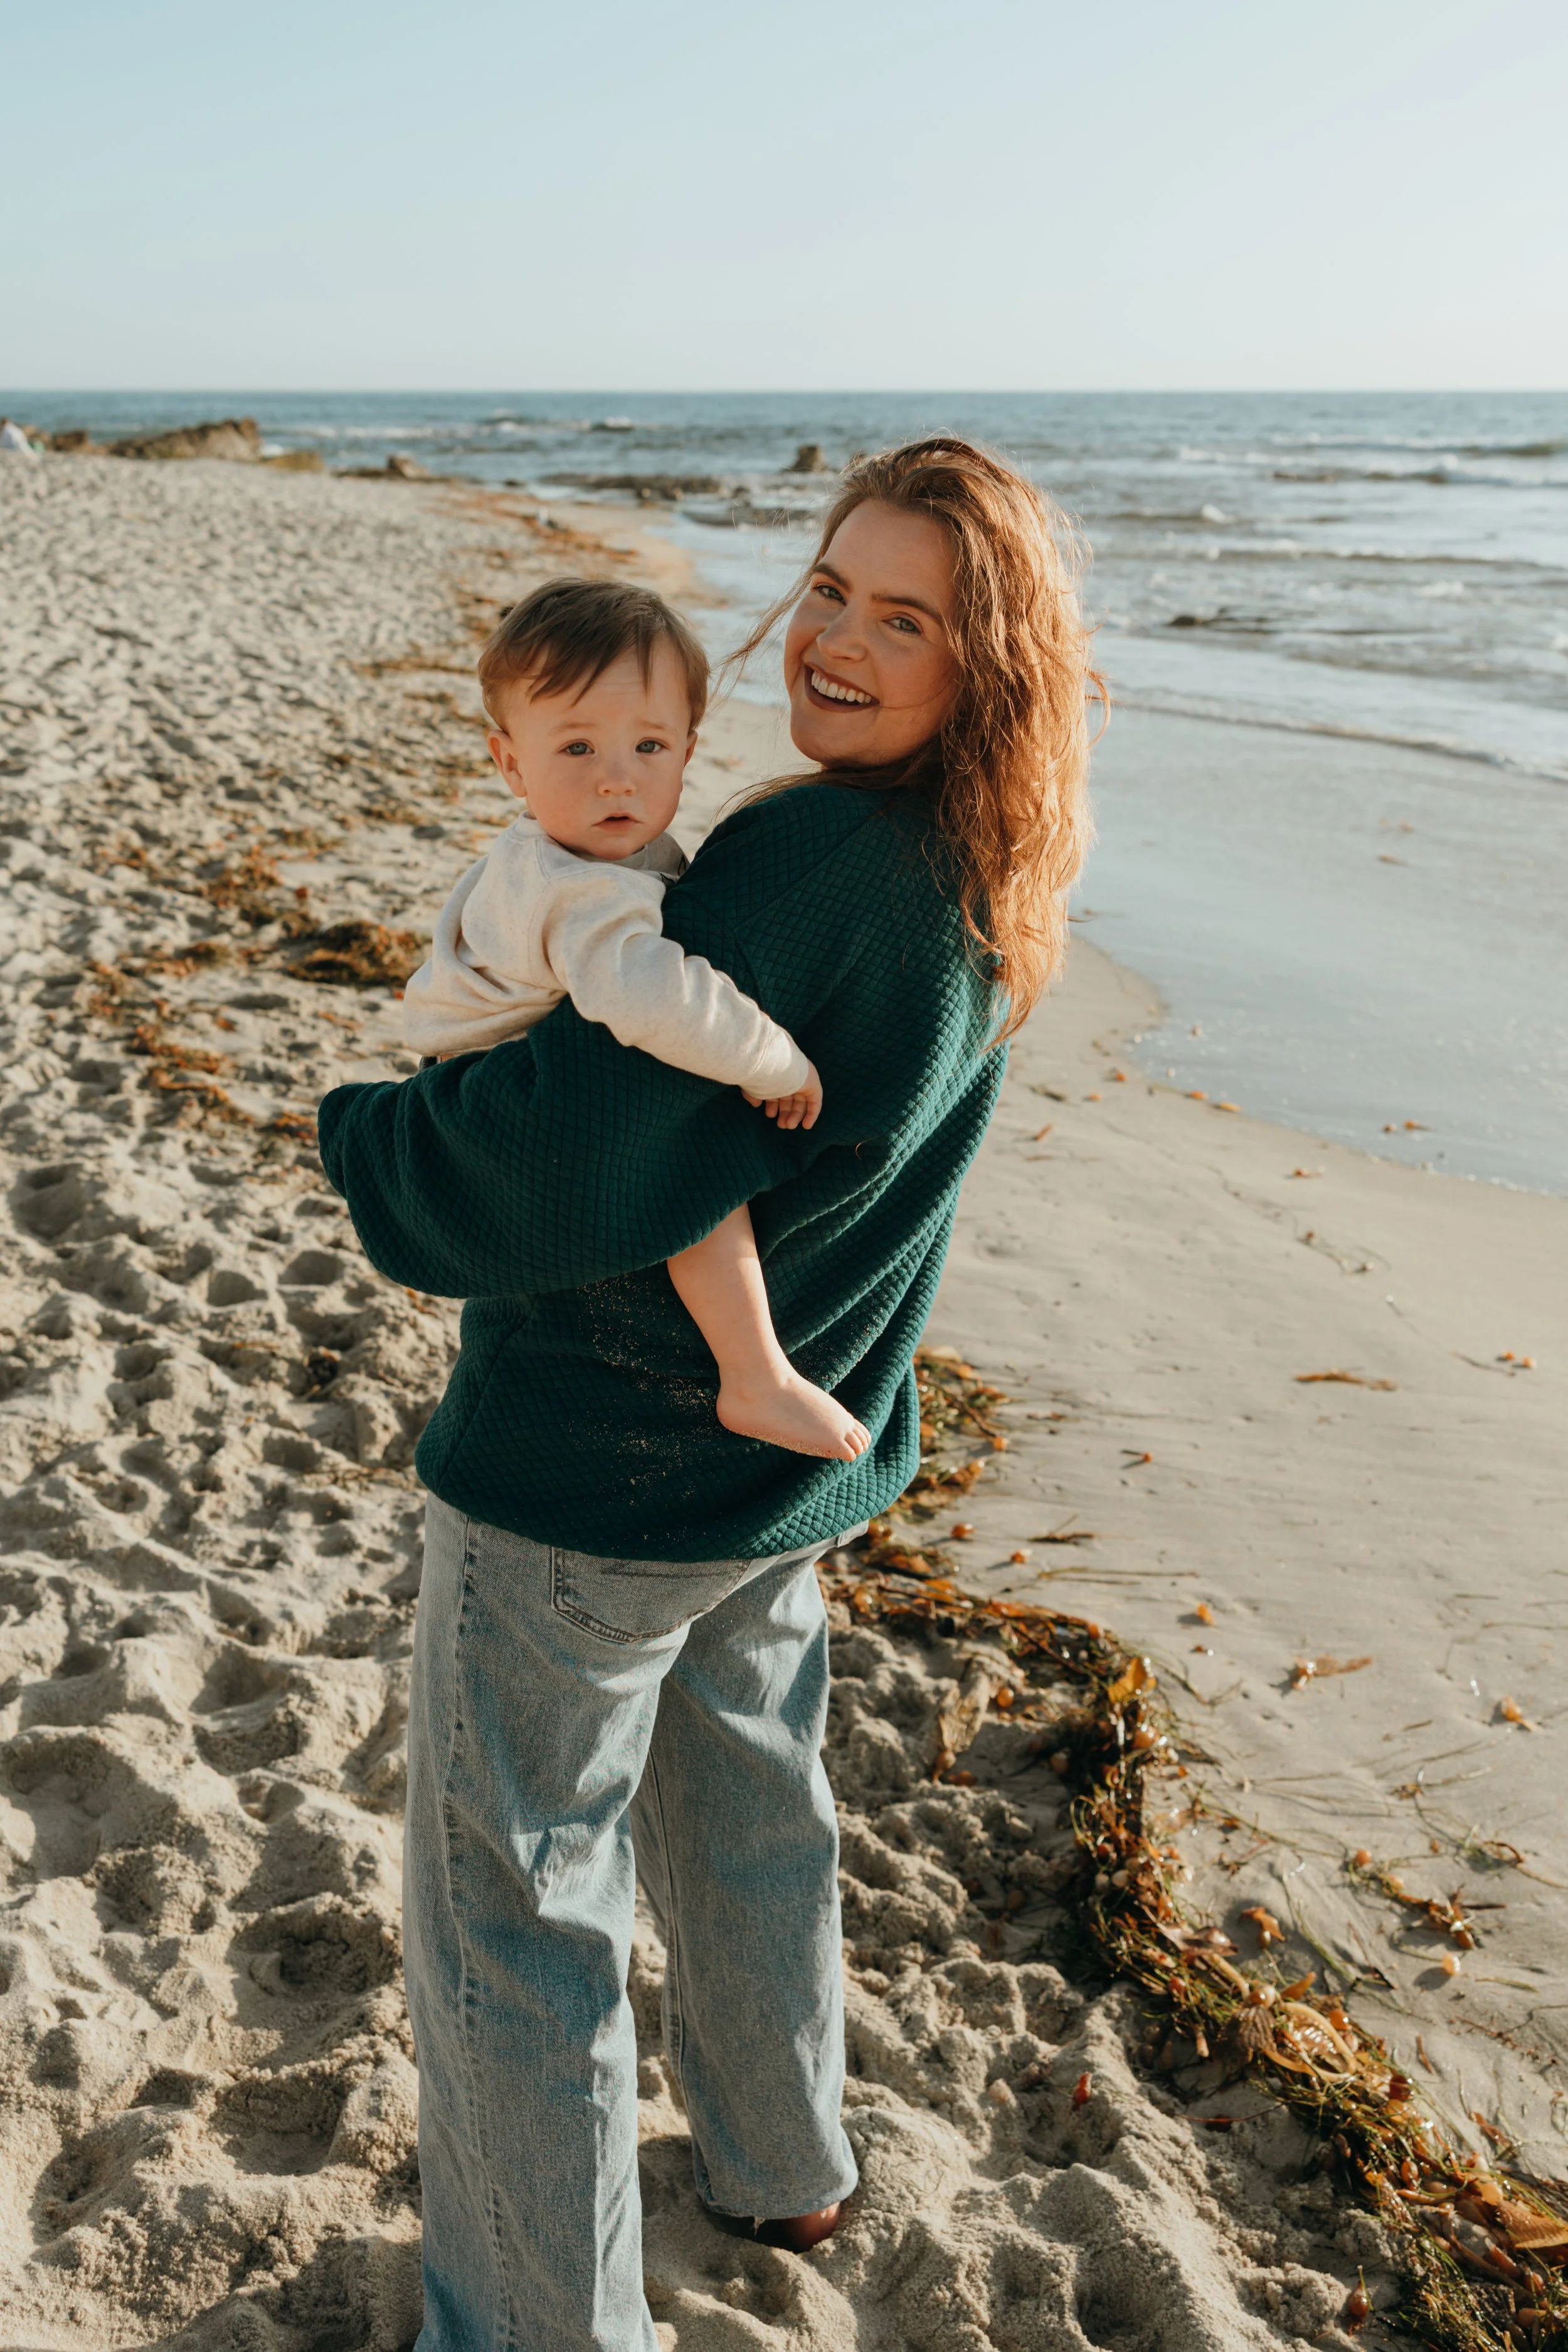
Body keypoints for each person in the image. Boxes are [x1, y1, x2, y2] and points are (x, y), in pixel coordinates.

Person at [319, 437, 1099, 2352]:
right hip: (781, 1466)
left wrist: (369, 1136)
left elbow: (591, 1157)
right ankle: (782, 2159)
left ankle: (536, 2322)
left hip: (600, 1476)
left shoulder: (802, 858)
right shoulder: (986, 857)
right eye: (829, 585)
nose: (834, 638)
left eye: (901, 615)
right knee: (751, 1806)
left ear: (981, 664)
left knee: (518, 1910)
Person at [402, 578, 869, 1462]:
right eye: (576, 747)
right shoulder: (579, 889)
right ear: (511, 765)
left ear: (688, 752)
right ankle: (754, 1374)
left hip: (473, 1075)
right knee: (695, 1172)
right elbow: (652, 993)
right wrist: (771, 1060)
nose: (618, 776)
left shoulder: (567, 854)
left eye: (648, 744)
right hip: (490, 1105)